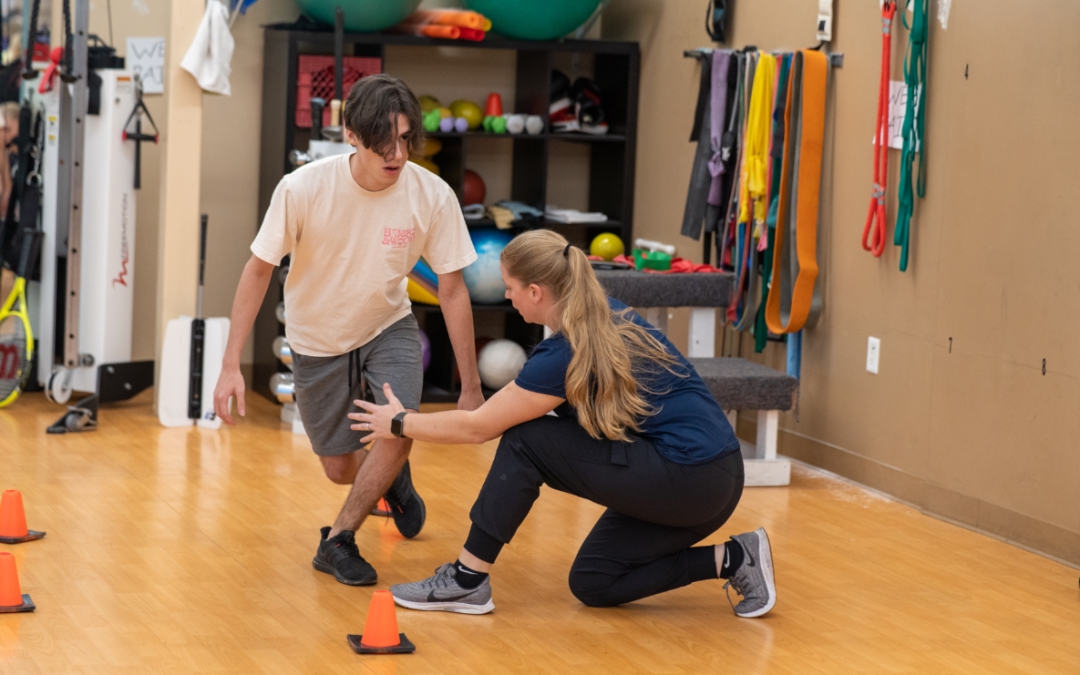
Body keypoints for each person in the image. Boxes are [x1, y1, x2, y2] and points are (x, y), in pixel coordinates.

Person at [350, 229, 777, 617]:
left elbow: (478, 428)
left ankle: (467, 579)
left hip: (691, 478)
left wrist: (400, 422)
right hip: (713, 478)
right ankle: (735, 558)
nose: (507, 295)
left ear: (535, 292)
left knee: (526, 440)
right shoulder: (600, 315)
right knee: (594, 582)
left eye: (510, 287)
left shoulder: (567, 350)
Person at [212, 74, 484, 587]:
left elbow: (452, 290)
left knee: (399, 424)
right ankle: (392, 478)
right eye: (384, 141)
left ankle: (338, 539)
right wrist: (230, 364)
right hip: (318, 338)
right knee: (338, 468)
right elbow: (258, 271)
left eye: (406, 139)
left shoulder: (432, 194)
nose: (397, 155)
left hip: (388, 325)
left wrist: (471, 387)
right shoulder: (303, 188)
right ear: (351, 135)